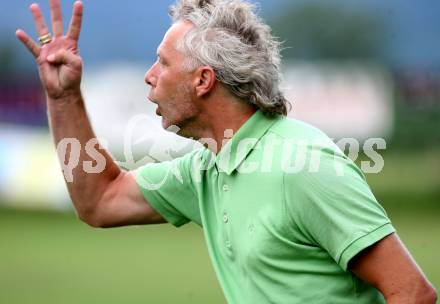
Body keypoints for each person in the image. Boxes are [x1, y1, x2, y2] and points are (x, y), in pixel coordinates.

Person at [16, 0, 437, 303]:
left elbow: (413, 292)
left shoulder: (304, 166)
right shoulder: (207, 165)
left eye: (162, 63)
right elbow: (100, 202)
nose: (149, 78)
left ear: (202, 80)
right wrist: (64, 97)